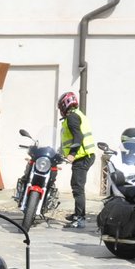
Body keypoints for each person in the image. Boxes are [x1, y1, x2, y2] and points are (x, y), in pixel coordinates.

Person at [57, 90, 94, 228]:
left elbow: (78, 137)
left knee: (78, 188)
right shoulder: (77, 115)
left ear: (64, 105)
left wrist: (72, 154)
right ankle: (78, 214)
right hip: (84, 155)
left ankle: (80, 218)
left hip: (82, 157)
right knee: (76, 185)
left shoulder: (72, 117)